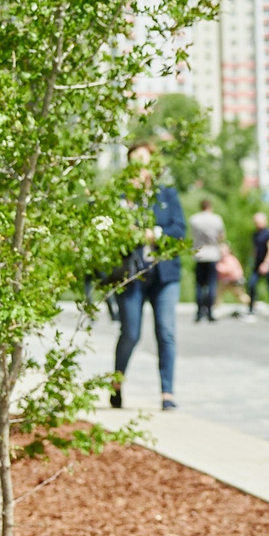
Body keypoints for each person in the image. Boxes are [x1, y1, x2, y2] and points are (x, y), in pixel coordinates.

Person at [110, 147, 185, 411]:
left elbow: (179, 230)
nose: (139, 167)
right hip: (131, 276)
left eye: (143, 161)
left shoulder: (167, 195)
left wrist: (155, 233)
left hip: (165, 275)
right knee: (130, 333)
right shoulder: (120, 198)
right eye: (133, 162)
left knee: (166, 331)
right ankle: (117, 383)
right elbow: (110, 233)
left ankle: (167, 393)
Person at [188, 195, 228, 323]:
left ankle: (200, 312)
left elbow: (193, 235)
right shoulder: (216, 219)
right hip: (212, 253)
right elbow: (221, 236)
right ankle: (210, 311)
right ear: (210, 207)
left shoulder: (194, 219)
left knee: (199, 285)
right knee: (211, 284)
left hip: (199, 253)